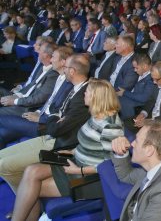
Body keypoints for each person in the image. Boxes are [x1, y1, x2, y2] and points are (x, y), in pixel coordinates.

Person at [10, 78, 124, 221]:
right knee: (31, 171)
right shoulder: (96, 114)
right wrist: (73, 151)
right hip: (75, 161)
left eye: (86, 92)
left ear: (96, 96)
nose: (84, 94)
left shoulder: (111, 127)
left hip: (87, 176)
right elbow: (91, 143)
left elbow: (109, 165)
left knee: (31, 189)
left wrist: (78, 170)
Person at [0, 46, 73, 149]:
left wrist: (40, 117)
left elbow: (58, 110)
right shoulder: (60, 77)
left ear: (62, 62)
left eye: (53, 57)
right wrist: (38, 112)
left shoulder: (67, 83)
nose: (51, 60)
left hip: (42, 125)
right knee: (1, 134)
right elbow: (48, 102)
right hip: (37, 115)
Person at [0, 42, 59, 116]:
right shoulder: (42, 67)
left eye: (40, 49)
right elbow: (31, 85)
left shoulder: (53, 75)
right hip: (22, 98)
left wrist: (15, 101)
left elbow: (39, 98)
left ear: (46, 55)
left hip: (28, 107)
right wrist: (17, 95)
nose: (37, 51)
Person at [117, 53, 155, 119]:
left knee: (122, 101)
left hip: (140, 105)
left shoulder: (152, 79)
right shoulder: (141, 72)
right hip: (132, 98)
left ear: (145, 66)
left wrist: (124, 92)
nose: (134, 70)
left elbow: (144, 98)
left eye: (136, 68)